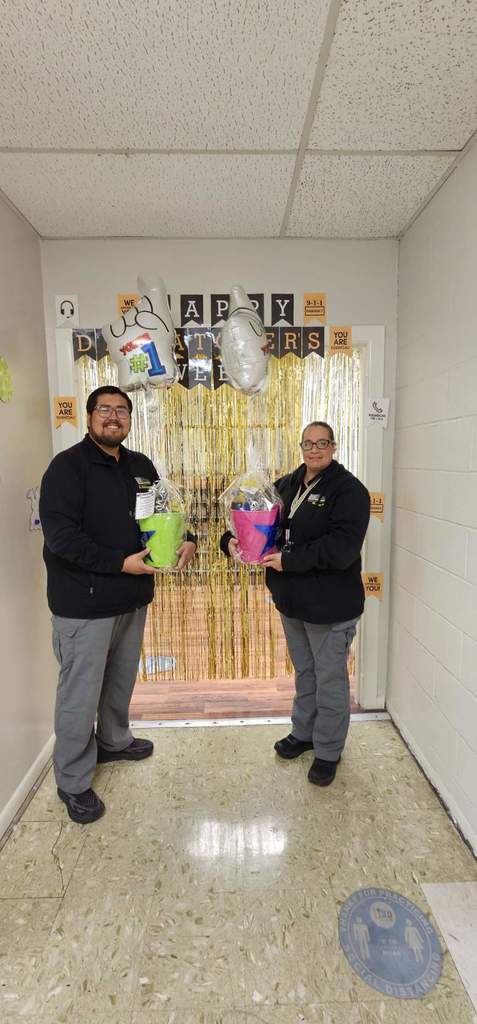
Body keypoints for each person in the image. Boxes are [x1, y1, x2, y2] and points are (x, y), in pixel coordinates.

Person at [39, 385, 196, 823]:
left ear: (129, 418)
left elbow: (164, 513)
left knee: (119, 680)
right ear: (89, 416)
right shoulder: (67, 468)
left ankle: (113, 741)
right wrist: (118, 563)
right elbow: (62, 539)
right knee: (79, 693)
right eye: (104, 409)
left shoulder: (140, 466)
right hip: (84, 604)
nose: (113, 417)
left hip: (132, 597)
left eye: (121, 410)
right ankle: (72, 780)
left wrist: (187, 540)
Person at [221, 421, 370, 787]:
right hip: (292, 602)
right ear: (300, 446)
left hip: (330, 606)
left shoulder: (349, 491)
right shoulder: (286, 484)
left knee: (330, 678)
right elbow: (253, 517)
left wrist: (289, 560)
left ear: (333, 446)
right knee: (306, 672)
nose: (314, 449)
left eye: (322, 443)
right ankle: (303, 733)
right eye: (308, 443)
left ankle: (328, 750)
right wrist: (231, 541)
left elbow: (341, 549)